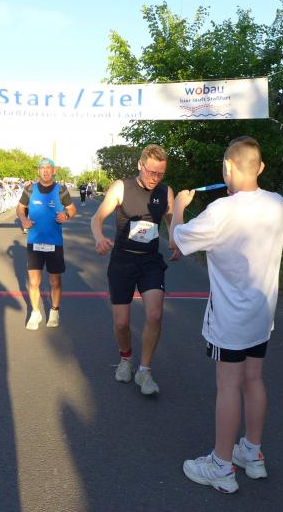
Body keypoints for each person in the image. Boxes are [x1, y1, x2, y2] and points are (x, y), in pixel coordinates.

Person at [169, 136, 283, 494]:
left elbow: (176, 239)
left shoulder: (220, 211)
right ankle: (252, 453)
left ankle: (222, 466)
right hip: (262, 314)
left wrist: (178, 207)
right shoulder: (277, 203)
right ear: (261, 167)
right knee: (254, 379)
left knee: (228, 386)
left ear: (227, 167)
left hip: (229, 319)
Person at [90, 144, 180, 395]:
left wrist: (177, 241)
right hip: (123, 262)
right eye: (151, 172)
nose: (155, 178)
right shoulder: (121, 187)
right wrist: (99, 237)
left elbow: (172, 221)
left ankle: (144, 370)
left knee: (155, 314)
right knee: (122, 323)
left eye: (160, 173)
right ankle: (126, 359)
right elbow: (97, 218)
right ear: (140, 165)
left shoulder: (165, 191)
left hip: (150, 262)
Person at [17, 157, 77, 330]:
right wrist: (23, 219)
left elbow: (72, 209)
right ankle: (35, 312)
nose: (45, 171)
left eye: (48, 168)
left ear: (53, 171)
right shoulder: (30, 189)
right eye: (42, 168)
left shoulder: (61, 190)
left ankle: (54, 310)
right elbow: (20, 208)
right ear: (39, 171)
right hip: (34, 242)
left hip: (54, 242)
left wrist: (66, 215)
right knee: (33, 281)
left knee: (55, 281)